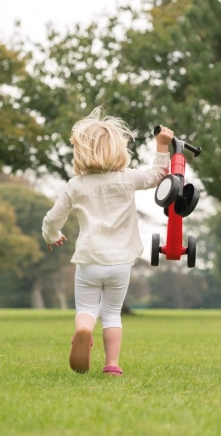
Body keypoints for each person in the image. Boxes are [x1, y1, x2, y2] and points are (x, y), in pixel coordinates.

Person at [42, 108, 174, 376]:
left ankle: (83, 330)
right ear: (118, 150)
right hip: (120, 263)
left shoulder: (75, 185)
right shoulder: (127, 179)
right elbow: (157, 174)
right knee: (112, 313)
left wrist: (52, 236)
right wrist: (162, 145)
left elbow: (52, 219)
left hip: (90, 260)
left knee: (87, 308)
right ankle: (112, 365)